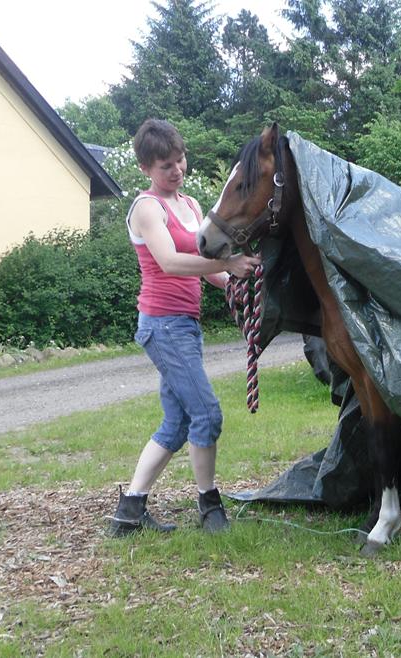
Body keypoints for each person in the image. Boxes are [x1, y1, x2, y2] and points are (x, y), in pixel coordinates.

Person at [108, 118, 260, 537]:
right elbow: (172, 263)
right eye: (165, 166)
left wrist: (237, 285)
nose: (176, 170)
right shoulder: (146, 208)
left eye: (179, 160)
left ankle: (129, 512)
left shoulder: (191, 205)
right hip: (162, 325)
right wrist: (227, 262)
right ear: (145, 169)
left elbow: (207, 271)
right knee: (207, 414)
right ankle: (210, 506)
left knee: (175, 425)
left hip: (186, 326)